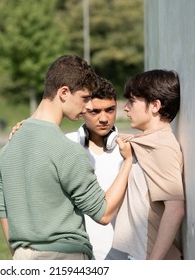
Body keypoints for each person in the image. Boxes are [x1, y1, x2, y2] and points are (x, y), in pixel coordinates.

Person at [0, 54, 133, 260]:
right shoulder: (67, 150)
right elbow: (103, 213)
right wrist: (128, 163)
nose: (88, 106)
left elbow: (4, 210)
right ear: (64, 92)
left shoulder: (9, 147)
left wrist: (20, 254)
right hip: (64, 257)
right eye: (85, 98)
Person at [112, 69, 185, 260]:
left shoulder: (161, 147)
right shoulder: (147, 142)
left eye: (132, 101)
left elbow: (175, 208)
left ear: (155, 105)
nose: (126, 108)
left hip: (149, 258)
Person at [65, 76, 128, 260]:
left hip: (122, 258)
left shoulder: (129, 150)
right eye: (95, 112)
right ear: (82, 111)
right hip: (77, 256)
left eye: (110, 110)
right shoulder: (66, 145)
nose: (104, 118)